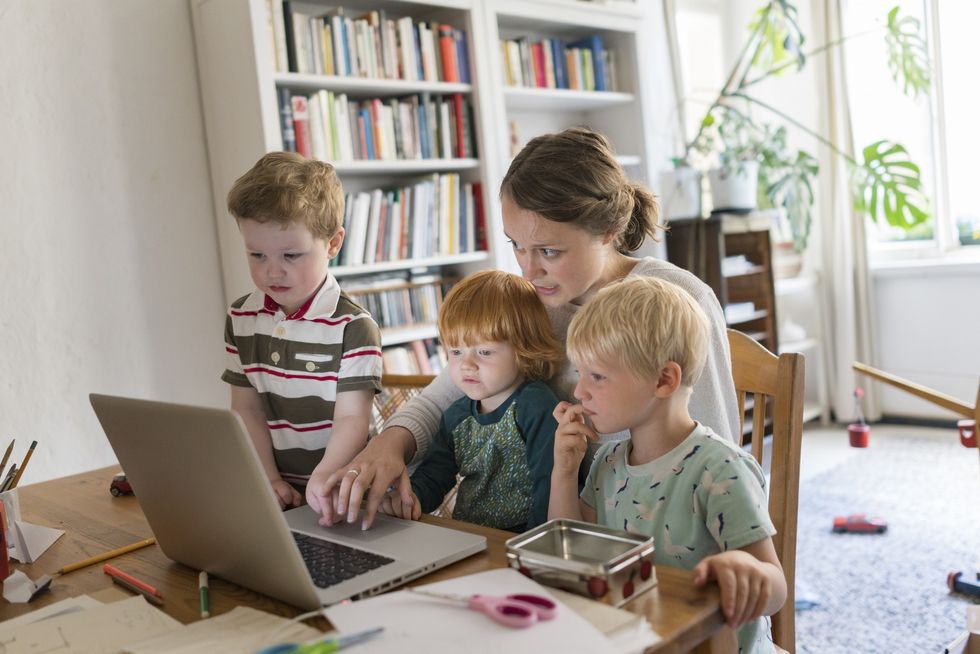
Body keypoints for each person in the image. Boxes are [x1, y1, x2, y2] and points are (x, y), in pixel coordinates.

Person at [319, 126, 738, 529]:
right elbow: (440, 399)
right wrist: (386, 445)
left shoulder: (679, 302)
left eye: (549, 251)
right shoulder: (528, 303)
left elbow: (719, 460)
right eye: (516, 245)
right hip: (557, 537)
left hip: (650, 541)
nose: (528, 268)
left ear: (609, 230)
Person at [549, 276, 784, 653]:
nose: (579, 392)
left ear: (663, 380)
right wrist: (563, 471)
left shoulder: (720, 469)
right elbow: (569, 553)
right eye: (580, 373)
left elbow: (776, 589)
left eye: (597, 376)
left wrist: (748, 574)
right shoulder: (608, 462)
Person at [222, 152, 382, 512]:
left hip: (341, 492)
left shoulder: (353, 328)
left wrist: (323, 479)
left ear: (333, 244)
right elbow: (246, 410)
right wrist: (268, 478)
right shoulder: (241, 318)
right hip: (274, 494)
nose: (272, 272)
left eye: (291, 256)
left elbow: (352, 419)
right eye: (256, 255)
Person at [378, 269, 563, 532]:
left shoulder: (536, 406)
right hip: (469, 535)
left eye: (484, 351)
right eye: (456, 351)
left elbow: (549, 482)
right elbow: (435, 475)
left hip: (523, 540)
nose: (466, 365)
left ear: (525, 348)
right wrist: (409, 498)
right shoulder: (457, 416)